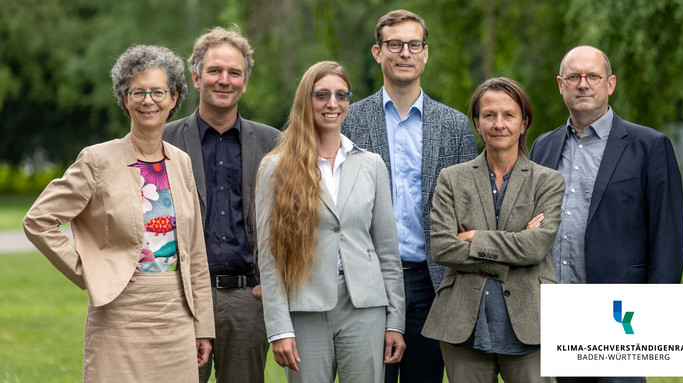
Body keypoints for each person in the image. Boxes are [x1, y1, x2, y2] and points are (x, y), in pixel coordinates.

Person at [23, 45, 214, 382]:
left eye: (158, 91)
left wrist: (204, 326)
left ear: (174, 98)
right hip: (118, 313)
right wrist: (87, 270)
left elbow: (195, 251)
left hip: (176, 315)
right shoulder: (97, 160)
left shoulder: (181, 162)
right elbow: (38, 220)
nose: (148, 100)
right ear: (124, 99)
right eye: (137, 92)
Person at [529, 45, 683, 383]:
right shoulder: (543, 145)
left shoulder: (650, 145)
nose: (583, 84)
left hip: (621, 309)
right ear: (560, 84)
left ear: (610, 84)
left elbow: (667, 235)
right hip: (560, 306)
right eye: (573, 77)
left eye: (593, 76)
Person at [340, 9, 477, 382]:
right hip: (366, 280)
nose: (405, 53)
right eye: (394, 44)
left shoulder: (454, 126)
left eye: (414, 44)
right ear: (377, 52)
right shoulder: (349, 122)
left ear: (425, 53)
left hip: (432, 282)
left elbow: (470, 209)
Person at [255, 61, 406, 383]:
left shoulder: (371, 164)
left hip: (364, 306)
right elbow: (269, 258)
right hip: (305, 306)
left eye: (341, 95)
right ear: (305, 101)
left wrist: (395, 322)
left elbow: (388, 253)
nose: (332, 104)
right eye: (322, 95)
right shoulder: (275, 167)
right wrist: (279, 327)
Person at [422, 77, 564, 383]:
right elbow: (443, 248)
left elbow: (536, 248)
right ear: (477, 122)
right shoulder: (452, 179)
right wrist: (517, 243)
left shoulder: (548, 181)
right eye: (489, 115)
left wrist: (474, 237)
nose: (499, 124)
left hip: (531, 322)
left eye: (508, 115)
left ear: (524, 123)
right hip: (464, 326)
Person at [163, 26, 281, 383]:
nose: (224, 80)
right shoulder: (164, 140)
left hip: (248, 298)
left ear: (245, 82)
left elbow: (290, 219)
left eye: (234, 73)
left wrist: (270, 284)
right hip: (181, 299)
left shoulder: (272, 142)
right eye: (215, 71)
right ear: (196, 78)